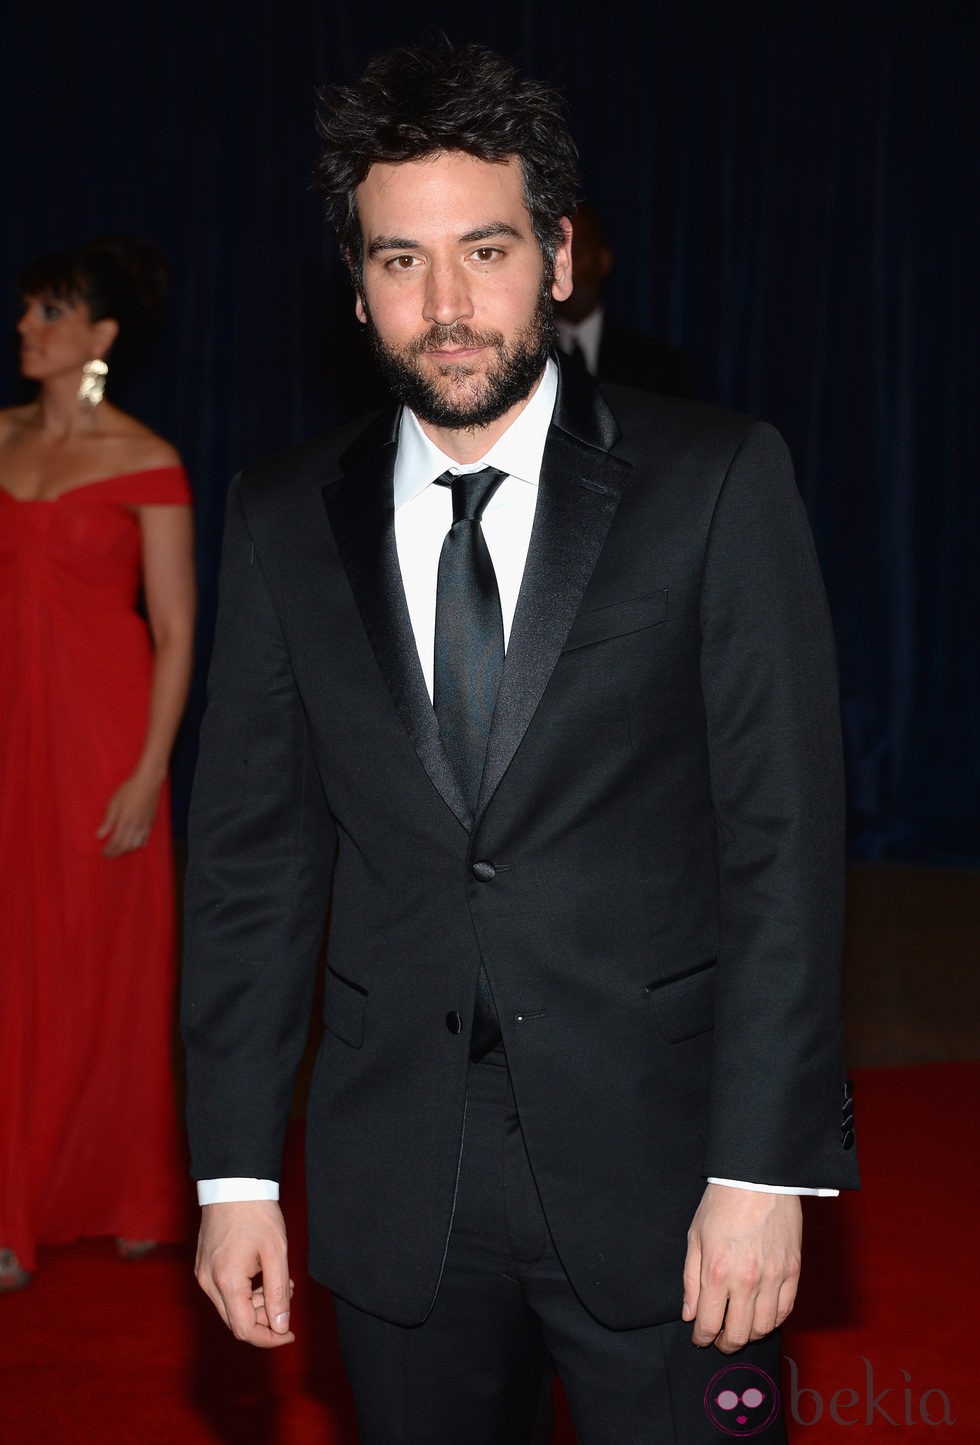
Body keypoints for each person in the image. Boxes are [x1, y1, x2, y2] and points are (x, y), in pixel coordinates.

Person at [182, 42, 858, 1444]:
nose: (445, 306)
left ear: (555, 256)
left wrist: (765, 1166)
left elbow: (785, 845)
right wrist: (235, 1175)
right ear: (358, 285)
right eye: (398, 261)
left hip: (671, 1172)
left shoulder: (718, 481)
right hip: (394, 1185)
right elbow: (252, 866)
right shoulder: (280, 517)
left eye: (483, 250)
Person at [0, 236, 195, 1292]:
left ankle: (124, 1186)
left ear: (101, 336)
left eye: (49, 314)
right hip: (7, 728)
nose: (27, 329)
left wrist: (148, 768)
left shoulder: (147, 458)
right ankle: (11, 1196)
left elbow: (174, 630)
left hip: (102, 734)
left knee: (94, 958)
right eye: (26, 312)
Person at [555, 199, 693, 396]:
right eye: (553, 256)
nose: (564, 268)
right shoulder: (529, 361)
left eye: (576, 254)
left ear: (604, 260)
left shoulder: (659, 365)